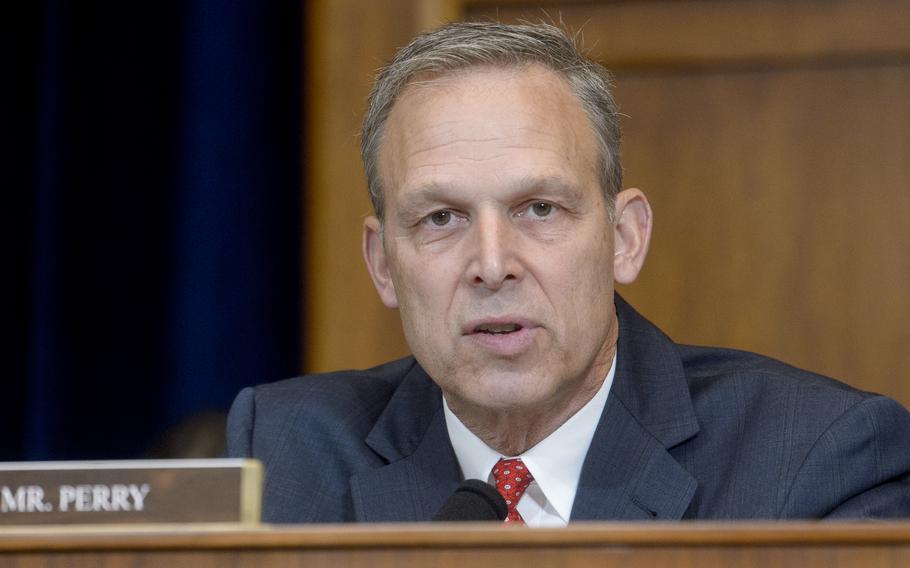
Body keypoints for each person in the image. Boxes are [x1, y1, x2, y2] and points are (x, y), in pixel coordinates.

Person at [227, 21, 910, 524]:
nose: (492, 266)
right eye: (441, 219)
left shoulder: (817, 463)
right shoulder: (286, 457)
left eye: (539, 209)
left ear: (624, 238)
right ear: (382, 264)